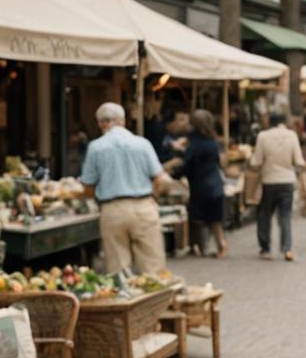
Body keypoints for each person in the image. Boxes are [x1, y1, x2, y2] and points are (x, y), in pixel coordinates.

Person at [80, 102, 167, 275]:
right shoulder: (142, 144)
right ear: (123, 121)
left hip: (112, 210)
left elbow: (88, 188)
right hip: (144, 206)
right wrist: (153, 197)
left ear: (101, 124)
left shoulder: (96, 147)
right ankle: (155, 301)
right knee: (153, 267)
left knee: (118, 271)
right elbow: (159, 179)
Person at [249, 110, 305, 262]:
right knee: (285, 216)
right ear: (283, 122)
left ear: (269, 121)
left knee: (264, 214)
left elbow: (256, 162)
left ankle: (266, 248)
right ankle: (287, 249)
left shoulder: (263, 136)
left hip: (270, 181)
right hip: (287, 181)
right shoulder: (292, 135)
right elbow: (299, 161)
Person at [175, 109, 227, 258]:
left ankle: (196, 246)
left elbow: (188, 164)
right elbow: (219, 162)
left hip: (200, 184)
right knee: (215, 219)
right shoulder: (213, 140)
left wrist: (175, 173)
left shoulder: (195, 142)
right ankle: (221, 245)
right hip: (215, 182)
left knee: (196, 218)